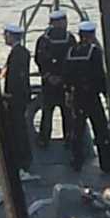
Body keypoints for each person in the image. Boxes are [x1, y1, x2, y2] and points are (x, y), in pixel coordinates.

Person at [64, 19, 110, 173]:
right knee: (101, 130)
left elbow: (66, 74)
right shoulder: (94, 52)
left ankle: (76, 162)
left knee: (77, 131)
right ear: (92, 35)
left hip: (77, 97)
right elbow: (99, 75)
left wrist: (68, 91)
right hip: (92, 97)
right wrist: (105, 93)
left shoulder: (71, 51)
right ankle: (107, 164)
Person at [35, 9, 76, 149]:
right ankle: (45, 139)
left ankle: (68, 139)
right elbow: (40, 59)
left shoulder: (69, 39)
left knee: (66, 113)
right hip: (52, 83)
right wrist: (50, 76)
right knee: (48, 113)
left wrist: (61, 77)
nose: (64, 23)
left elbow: (71, 59)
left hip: (61, 83)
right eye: (62, 21)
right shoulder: (44, 40)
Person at [2, 22, 33, 173]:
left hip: (16, 99)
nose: (4, 38)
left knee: (18, 129)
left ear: (10, 35)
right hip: (18, 97)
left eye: (5, 35)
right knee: (18, 129)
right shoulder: (20, 52)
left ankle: (22, 161)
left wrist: (10, 95)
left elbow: (17, 77)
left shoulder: (18, 54)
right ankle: (22, 159)